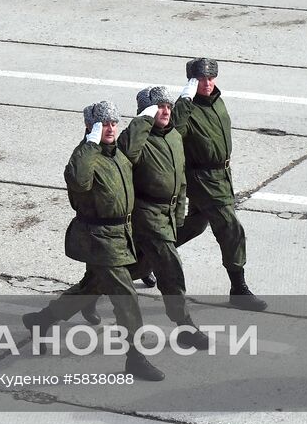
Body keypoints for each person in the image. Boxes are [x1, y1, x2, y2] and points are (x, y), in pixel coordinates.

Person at [21, 100, 165, 382]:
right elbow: (79, 181)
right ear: (90, 126)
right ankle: (135, 358)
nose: (110, 128)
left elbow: (134, 143)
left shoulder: (117, 154)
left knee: (92, 287)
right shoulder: (83, 157)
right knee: (126, 297)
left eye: (114, 123)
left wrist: (147, 115)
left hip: (121, 236)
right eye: (103, 123)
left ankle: (41, 320)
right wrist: (89, 143)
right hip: (98, 238)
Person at [119, 86, 211, 348]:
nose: (167, 111)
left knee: (128, 270)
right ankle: (185, 326)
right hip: (146, 215)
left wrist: (179, 214)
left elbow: (180, 179)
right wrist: (142, 121)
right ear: (146, 112)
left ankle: (51, 314)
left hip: (167, 214)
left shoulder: (172, 137)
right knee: (170, 267)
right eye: (160, 107)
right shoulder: (136, 138)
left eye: (169, 107)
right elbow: (126, 154)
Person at [173, 58, 266, 311]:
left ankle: (142, 257)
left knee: (192, 227)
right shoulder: (186, 109)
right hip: (204, 179)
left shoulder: (217, 101)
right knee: (230, 227)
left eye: (211, 78)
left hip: (222, 177)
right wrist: (184, 100)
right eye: (201, 79)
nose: (207, 83)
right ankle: (239, 288)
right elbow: (173, 132)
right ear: (192, 82)